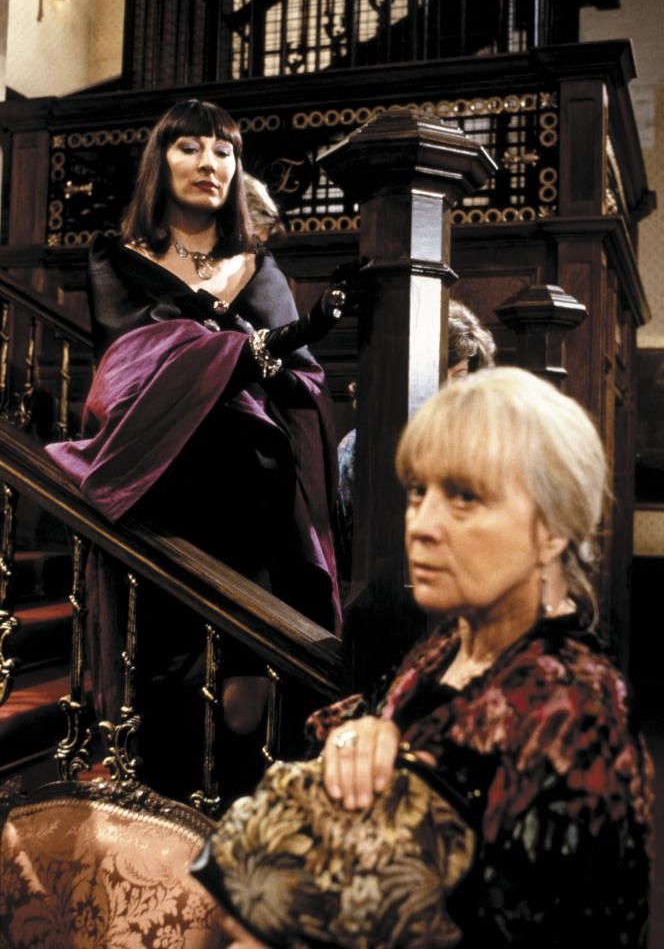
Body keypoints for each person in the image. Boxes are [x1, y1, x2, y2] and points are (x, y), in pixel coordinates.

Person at [195, 367, 653, 948]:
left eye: (464, 497)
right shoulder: (448, 646)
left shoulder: (577, 713)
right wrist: (358, 735)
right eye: (418, 492)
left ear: (553, 530)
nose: (422, 525)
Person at [46, 98, 346, 799]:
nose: (209, 163)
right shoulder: (118, 260)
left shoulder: (260, 269)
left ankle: (234, 819)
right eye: (189, 147)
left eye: (223, 150)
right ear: (161, 160)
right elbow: (136, 369)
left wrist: (252, 348)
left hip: (252, 500)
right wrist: (248, 338)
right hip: (161, 491)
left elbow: (297, 381)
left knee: (246, 697)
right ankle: (164, 818)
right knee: (162, 678)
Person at [334, 298, 496, 599]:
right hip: (375, 603)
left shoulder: (481, 447)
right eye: (438, 373)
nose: (448, 389)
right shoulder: (358, 445)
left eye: (460, 376)